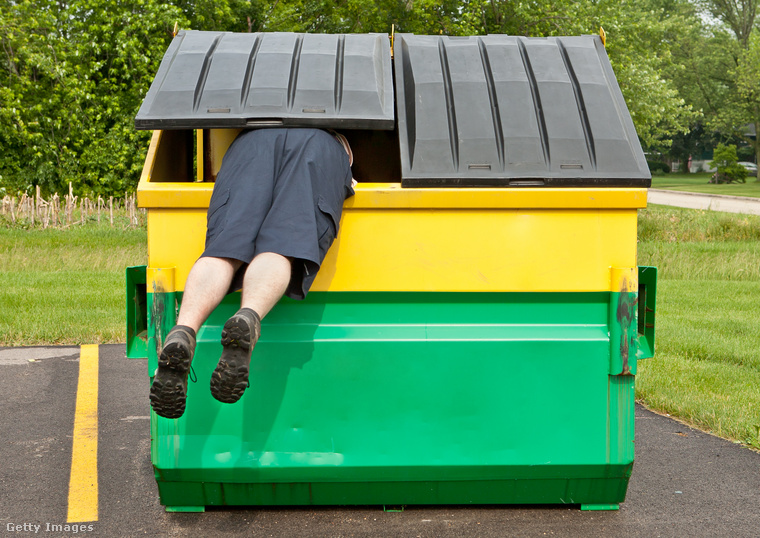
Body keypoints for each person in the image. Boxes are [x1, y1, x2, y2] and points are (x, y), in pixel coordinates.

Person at [149, 128, 354, 419]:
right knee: (282, 247)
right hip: (321, 145)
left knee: (223, 249)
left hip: (250, 142)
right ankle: (248, 317)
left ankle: (183, 331)